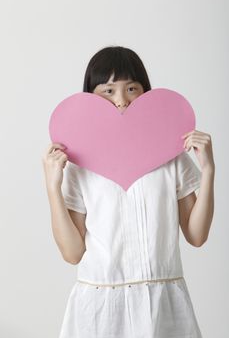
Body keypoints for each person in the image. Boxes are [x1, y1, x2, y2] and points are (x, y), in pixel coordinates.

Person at [42, 46, 215, 338]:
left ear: (146, 93)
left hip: (164, 306)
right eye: (108, 91)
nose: (121, 100)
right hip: (100, 310)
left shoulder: (171, 157)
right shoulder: (80, 164)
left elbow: (196, 236)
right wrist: (52, 186)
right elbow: (72, 253)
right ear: (90, 98)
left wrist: (208, 171)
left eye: (131, 88)